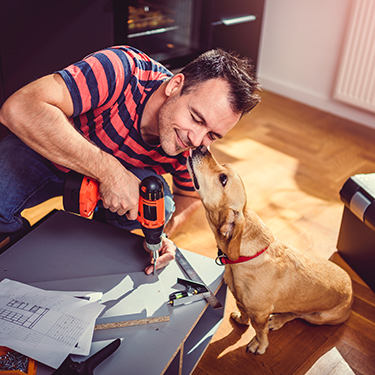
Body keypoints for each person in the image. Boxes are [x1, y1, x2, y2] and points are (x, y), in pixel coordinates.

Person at [0, 45, 260, 274]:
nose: (196, 139)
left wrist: (161, 235)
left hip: (104, 195)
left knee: (160, 205)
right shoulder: (121, 70)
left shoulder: (193, 147)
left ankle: (97, 239)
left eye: (213, 134)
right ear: (174, 86)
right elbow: (19, 107)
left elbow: (189, 196)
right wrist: (110, 171)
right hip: (41, 155)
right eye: (196, 118)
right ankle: (21, 246)